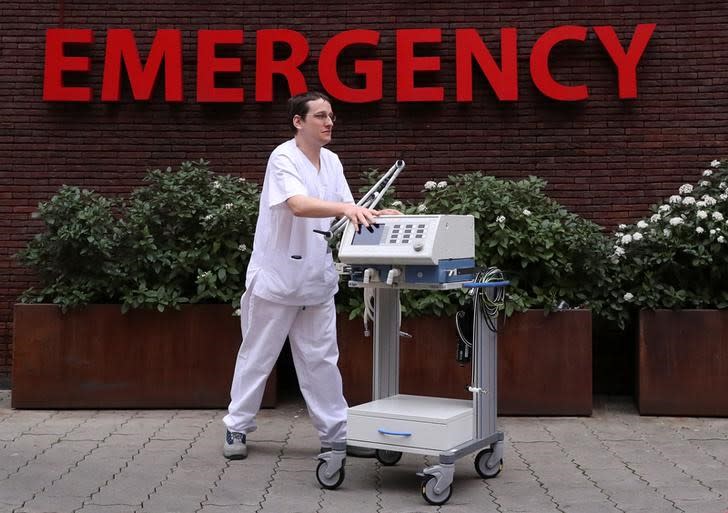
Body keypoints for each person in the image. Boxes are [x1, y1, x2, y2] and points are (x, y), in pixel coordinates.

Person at [223, 91, 399, 459]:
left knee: (322, 359)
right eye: (320, 116)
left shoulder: (332, 161)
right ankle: (237, 428)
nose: (329, 122)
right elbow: (298, 205)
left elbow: (348, 212)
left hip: (316, 281)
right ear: (298, 122)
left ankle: (336, 434)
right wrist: (348, 208)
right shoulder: (282, 157)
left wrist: (379, 215)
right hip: (276, 279)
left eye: (331, 116)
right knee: (257, 357)